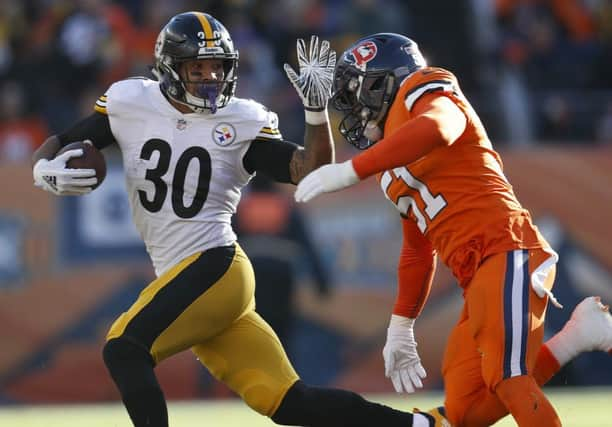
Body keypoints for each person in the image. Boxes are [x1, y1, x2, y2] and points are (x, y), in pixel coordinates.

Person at [31, 13, 449, 427]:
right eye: (198, 67)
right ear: (170, 67)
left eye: (218, 66)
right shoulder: (130, 101)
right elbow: (63, 142)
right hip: (187, 278)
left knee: (124, 348)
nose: (210, 77)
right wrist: (42, 169)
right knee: (290, 403)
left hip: (216, 267)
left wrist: (315, 111)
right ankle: (417, 426)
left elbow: (309, 169)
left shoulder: (241, 119)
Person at [295, 33, 612, 426]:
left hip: (506, 247)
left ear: (382, 83)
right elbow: (417, 250)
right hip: (476, 274)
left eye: (356, 95)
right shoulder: (391, 165)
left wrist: (351, 170)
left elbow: (439, 127)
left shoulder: (424, 87)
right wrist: (401, 325)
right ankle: (577, 337)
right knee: (464, 414)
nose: (354, 112)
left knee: (510, 379)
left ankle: (578, 337)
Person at [234, 174, 331, 353]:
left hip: (252, 280)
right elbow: (307, 245)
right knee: (282, 334)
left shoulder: (242, 209)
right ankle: (284, 375)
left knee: (253, 329)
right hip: (281, 280)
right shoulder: (286, 208)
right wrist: (321, 281)